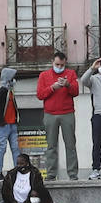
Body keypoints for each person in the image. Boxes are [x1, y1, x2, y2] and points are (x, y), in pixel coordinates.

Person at [36, 52, 80, 180]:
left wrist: (67, 85)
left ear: (65, 63)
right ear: (52, 62)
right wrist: (52, 88)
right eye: (57, 64)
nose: (59, 67)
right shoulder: (44, 75)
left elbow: (76, 92)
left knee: (70, 145)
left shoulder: (71, 74)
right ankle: (51, 174)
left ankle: (73, 174)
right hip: (50, 114)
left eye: (62, 65)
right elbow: (40, 95)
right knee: (51, 146)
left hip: (67, 113)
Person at [0, 67, 20, 179]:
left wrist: (16, 120)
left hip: (12, 124)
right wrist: (0, 119)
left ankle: (18, 169)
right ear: (8, 79)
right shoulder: (1, 91)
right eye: (12, 78)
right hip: (4, 125)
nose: (14, 80)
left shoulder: (11, 92)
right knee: (3, 148)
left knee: (15, 148)